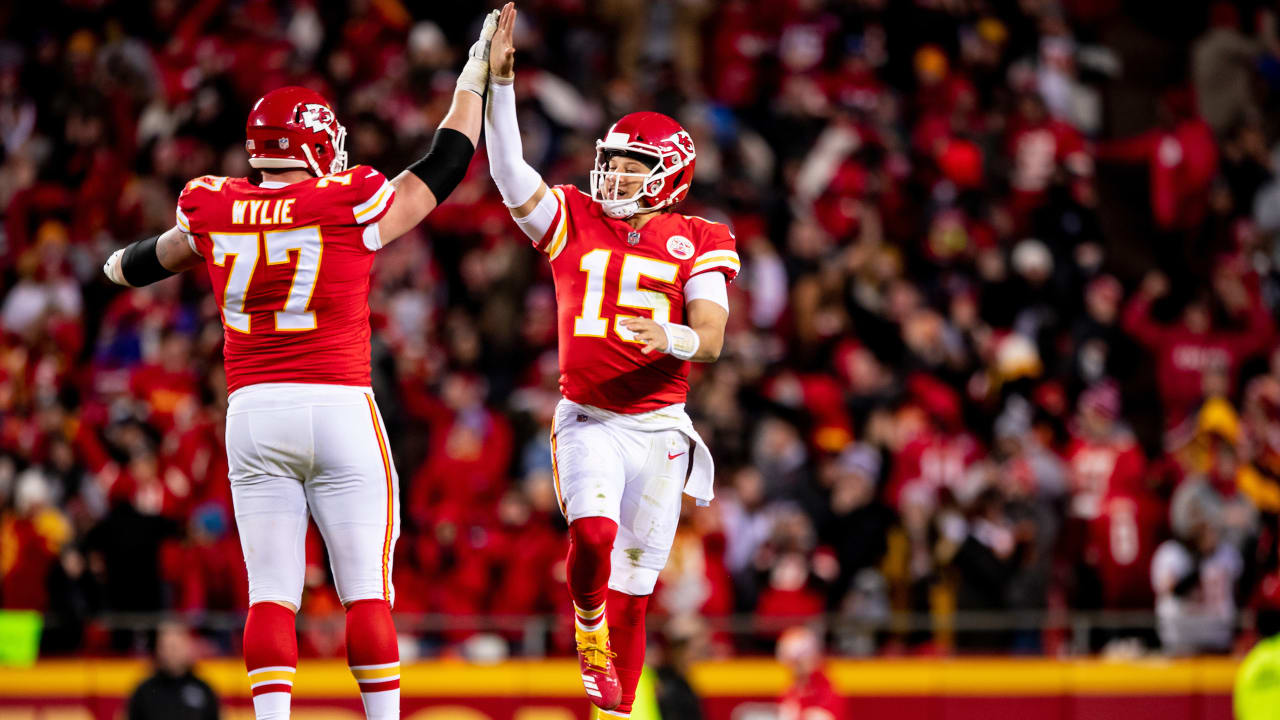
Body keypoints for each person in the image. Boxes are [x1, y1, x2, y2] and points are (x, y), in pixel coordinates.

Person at [101, 7, 509, 719]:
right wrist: (474, 72)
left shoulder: (213, 204)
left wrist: (111, 267)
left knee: (271, 592)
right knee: (365, 591)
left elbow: (148, 259)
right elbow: (442, 166)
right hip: (337, 400)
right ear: (318, 145)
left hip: (253, 412)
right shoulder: (345, 199)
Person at [483, 9, 737, 716]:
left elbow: (712, 335)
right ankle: (583, 626)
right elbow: (508, 171)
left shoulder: (699, 236)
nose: (616, 174)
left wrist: (674, 338)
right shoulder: (573, 215)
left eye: (634, 165)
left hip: (660, 430)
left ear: (672, 174)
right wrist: (501, 85)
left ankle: (616, 701)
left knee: (635, 597)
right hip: (590, 415)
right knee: (591, 535)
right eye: (613, 160)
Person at [127, 622, 219, 720]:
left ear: (187, 647)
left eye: (175, 647)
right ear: (158, 650)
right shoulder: (144, 690)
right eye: (166, 647)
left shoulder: (203, 689)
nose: (171, 653)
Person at [776, 626, 846, 720]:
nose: (795, 669)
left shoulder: (827, 692)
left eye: (798, 662)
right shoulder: (790, 692)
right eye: (792, 663)